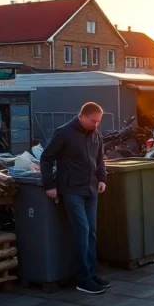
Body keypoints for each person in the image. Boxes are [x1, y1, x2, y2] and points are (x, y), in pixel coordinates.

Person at [41, 102, 110, 295]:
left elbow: (99, 159)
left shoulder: (95, 134)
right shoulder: (63, 133)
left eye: (98, 122)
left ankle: (91, 272)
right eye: (93, 121)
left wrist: (102, 178)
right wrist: (50, 185)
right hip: (72, 191)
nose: (96, 125)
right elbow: (46, 158)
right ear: (82, 116)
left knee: (91, 232)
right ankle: (83, 278)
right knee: (83, 231)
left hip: (91, 190)